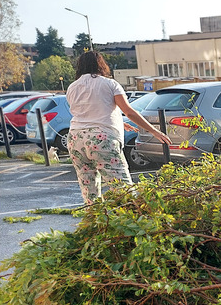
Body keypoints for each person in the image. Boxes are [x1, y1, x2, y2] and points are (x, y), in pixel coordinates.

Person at [66, 51, 172, 204]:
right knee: (122, 188)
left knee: (89, 189)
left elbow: (87, 113)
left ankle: (94, 220)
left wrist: (119, 122)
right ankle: (132, 219)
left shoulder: (72, 87)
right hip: (101, 140)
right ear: (101, 65)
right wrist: (154, 131)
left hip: (75, 139)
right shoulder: (110, 84)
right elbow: (128, 111)